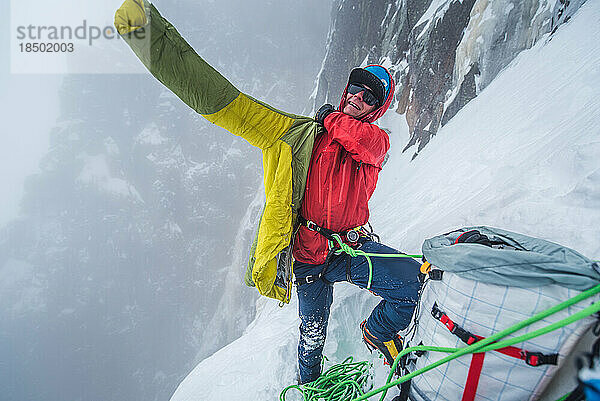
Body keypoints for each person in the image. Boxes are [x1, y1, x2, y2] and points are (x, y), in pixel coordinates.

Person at [114, 0, 421, 386]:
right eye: (356, 89)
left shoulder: (375, 141)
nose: (359, 97)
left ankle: (376, 332)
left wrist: (328, 117)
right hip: (309, 255)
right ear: (347, 91)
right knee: (312, 336)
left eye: (370, 96)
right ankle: (310, 389)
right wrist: (150, 38)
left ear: (379, 108)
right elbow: (232, 105)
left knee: (411, 281)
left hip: (349, 249)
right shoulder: (299, 136)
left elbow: (359, 140)